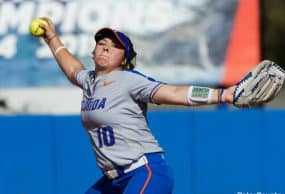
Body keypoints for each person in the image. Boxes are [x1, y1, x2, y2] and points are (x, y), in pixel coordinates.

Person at [39, 17, 236, 194]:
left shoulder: (128, 80)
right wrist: (52, 39)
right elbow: (73, 69)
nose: (105, 47)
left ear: (124, 59)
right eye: (101, 43)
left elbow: (174, 93)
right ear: (93, 51)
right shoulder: (89, 81)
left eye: (114, 46)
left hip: (145, 172)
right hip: (113, 180)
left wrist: (222, 94)